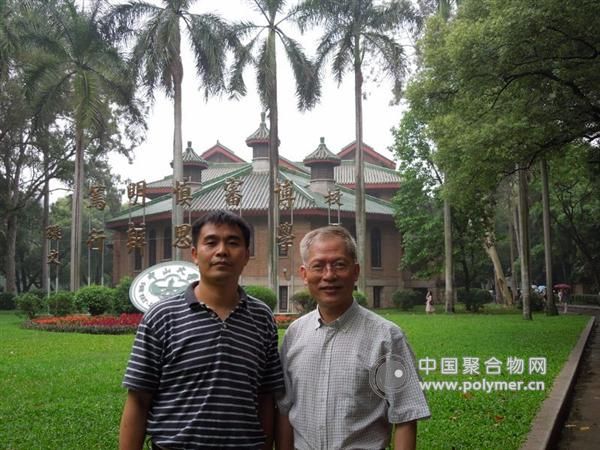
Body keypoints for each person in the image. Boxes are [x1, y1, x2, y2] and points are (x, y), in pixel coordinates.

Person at [119, 210, 283, 450]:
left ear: (246, 255)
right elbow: (138, 399)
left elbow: (265, 398)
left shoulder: (262, 318)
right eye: (211, 242)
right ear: (195, 254)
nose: (222, 251)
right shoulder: (162, 316)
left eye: (233, 243)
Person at [277, 225, 430, 450]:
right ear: (304, 274)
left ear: (355, 271)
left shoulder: (386, 338)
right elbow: (285, 409)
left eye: (339, 265)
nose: (329, 275)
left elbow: (406, 415)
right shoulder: (294, 334)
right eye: (318, 266)